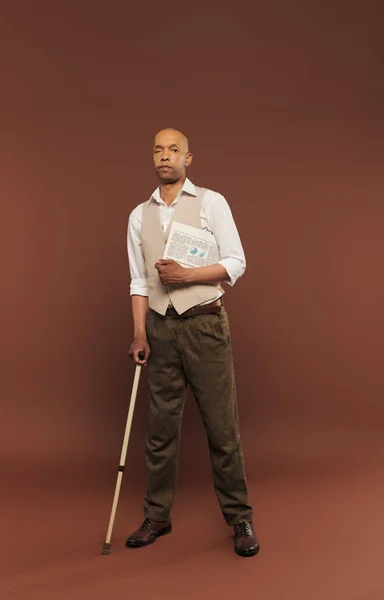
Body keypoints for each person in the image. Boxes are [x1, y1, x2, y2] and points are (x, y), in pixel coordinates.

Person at [125, 128, 259, 557]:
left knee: (223, 429)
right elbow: (140, 281)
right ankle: (157, 515)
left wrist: (187, 276)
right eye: (158, 150)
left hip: (205, 327)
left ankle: (240, 517)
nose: (165, 156)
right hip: (160, 331)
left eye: (174, 150)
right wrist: (140, 333)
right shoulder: (137, 216)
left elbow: (235, 261)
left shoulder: (212, 203)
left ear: (188, 157)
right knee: (160, 432)